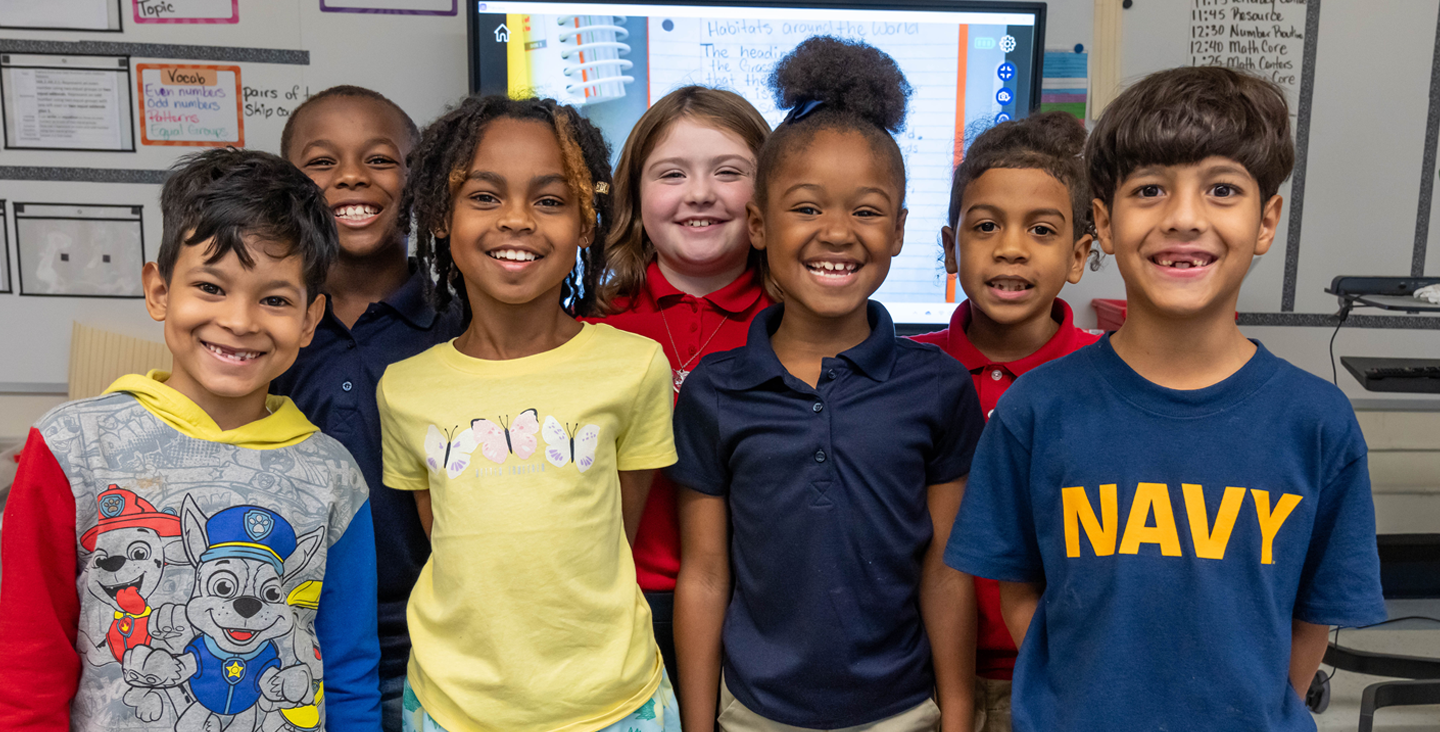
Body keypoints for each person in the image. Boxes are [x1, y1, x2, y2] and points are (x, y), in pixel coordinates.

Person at [945, 66, 1387, 732]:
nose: (1184, 218)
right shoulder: (1038, 410)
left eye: (1222, 189)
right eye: (1149, 190)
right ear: (1105, 221)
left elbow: (1311, 619)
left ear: (1266, 221)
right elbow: (1018, 589)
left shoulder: (1316, 424)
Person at [0, 148, 381, 732]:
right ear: (158, 290)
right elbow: (27, 660)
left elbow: (349, 668)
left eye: (275, 299)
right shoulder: (72, 446)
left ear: (310, 319)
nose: (240, 320)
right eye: (210, 286)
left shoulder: (334, 476)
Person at [671, 36, 985, 732]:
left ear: (900, 231)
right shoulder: (714, 393)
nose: (838, 233)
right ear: (758, 224)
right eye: (807, 208)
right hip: (754, 713)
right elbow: (705, 575)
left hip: (903, 712)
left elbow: (945, 569)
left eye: (867, 211)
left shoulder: (938, 387)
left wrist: (958, 713)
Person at [376, 95, 680, 732]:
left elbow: (613, 533)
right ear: (439, 215)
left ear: (587, 223)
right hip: (452, 710)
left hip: (616, 707)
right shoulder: (404, 389)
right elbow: (450, 545)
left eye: (550, 200)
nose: (517, 220)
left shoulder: (635, 367)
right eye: (484, 196)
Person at [272, 84, 465, 732]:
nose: (352, 175)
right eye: (321, 162)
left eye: (380, 159)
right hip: (287, 640)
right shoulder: (263, 335)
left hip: (437, 651)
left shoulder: (463, 326)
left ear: (421, 184)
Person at [909, 111, 1100, 732]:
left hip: (1061, 677)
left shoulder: (1107, 381)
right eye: (986, 226)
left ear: (1078, 256)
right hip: (922, 675)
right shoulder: (904, 374)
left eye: (1041, 230)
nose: (1011, 246)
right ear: (949, 247)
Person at [586, 85, 774, 687]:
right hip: (613, 615)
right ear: (635, 198)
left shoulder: (798, 331)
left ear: (768, 196)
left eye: (729, 172)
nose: (700, 193)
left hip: (764, 617)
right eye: (671, 174)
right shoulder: (588, 332)